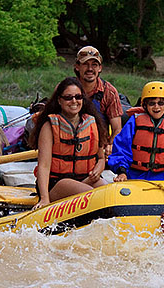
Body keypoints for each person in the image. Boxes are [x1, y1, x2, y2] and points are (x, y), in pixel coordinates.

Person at [31, 77, 109, 209]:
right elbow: (43, 166)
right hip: (58, 183)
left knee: (109, 194)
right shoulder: (49, 126)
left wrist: (98, 169)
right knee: (92, 196)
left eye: (78, 97)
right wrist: (44, 199)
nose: (74, 101)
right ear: (59, 100)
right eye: (68, 97)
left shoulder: (92, 123)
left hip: (87, 179)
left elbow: (101, 158)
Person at [74, 46, 124, 156]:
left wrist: (110, 146)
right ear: (77, 67)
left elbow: (117, 129)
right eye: (85, 64)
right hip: (70, 147)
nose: (90, 69)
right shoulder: (65, 89)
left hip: (98, 150)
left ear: (100, 68)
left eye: (94, 65)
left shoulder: (109, 92)